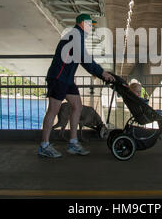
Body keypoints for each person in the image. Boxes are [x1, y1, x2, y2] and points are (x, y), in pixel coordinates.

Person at [38, 14, 115, 158]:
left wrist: (100, 72)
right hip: (58, 78)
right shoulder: (74, 36)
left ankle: (73, 143)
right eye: (89, 24)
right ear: (82, 23)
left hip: (67, 80)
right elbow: (85, 60)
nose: (91, 27)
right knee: (53, 111)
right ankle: (44, 145)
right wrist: (102, 73)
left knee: (78, 107)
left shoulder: (77, 36)